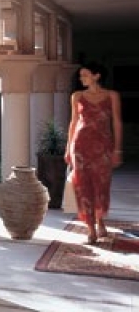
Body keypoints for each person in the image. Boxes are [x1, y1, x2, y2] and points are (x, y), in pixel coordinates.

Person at [65, 62, 123, 244]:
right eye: (81, 75)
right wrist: (68, 148)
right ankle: (91, 229)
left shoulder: (112, 96)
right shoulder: (77, 96)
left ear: (96, 76)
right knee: (82, 186)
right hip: (80, 146)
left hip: (103, 146)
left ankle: (100, 220)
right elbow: (73, 122)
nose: (81, 78)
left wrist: (117, 149)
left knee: (102, 185)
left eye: (85, 75)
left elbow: (117, 122)